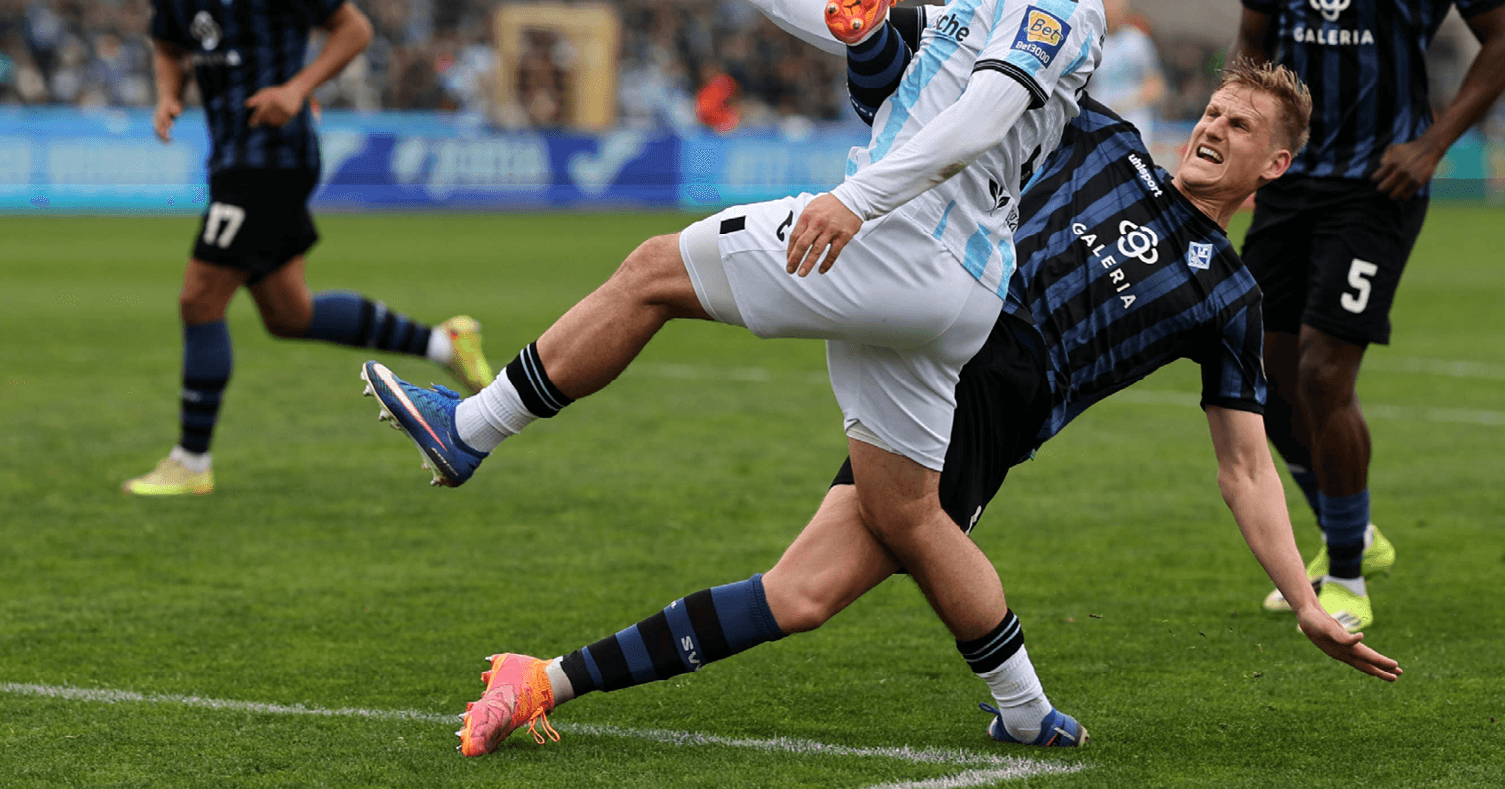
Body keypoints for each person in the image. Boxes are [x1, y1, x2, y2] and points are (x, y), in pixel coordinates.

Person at [360, 0, 1156, 751]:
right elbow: (858, 20)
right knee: (903, 517)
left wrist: (857, 199)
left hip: (902, 241)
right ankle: (1026, 710)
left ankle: (470, 429)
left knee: (654, 271)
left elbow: (988, 111)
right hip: (958, 284)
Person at [449, 42, 1403, 753]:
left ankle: (546, 680)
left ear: (1273, 166)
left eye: (1241, 127)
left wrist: (1305, 597)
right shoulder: (1105, 138)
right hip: (931, 321)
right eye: (1214, 111)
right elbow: (997, 86)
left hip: (990, 409)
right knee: (665, 280)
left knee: (803, 594)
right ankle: (1026, 710)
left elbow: (1243, 465)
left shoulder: (1230, 298)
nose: (1213, 128)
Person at [1227, 0, 1505, 629]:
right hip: (1290, 185)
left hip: (1376, 187)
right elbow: (1249, 54)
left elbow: (1504, 41)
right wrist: (1238, 147)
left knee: (1325, 371)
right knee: (1263, 378)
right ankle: (1343, 526)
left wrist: (1431, 147)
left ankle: (1348, 579)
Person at [121, 0, 493, 497]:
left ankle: (191, 463)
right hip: (231, 154)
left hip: (275, 157)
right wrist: (169, 93)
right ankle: (446, 344)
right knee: (288, 313)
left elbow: (354, 27)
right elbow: (167, 42)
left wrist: (298, 89)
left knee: (199, 296)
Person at [1088, 0, 1166, 139]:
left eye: (1117, 7)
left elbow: (1156, 86)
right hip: (1096, 122)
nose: (1111, 12)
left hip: (1131, 121)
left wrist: (1127, 103)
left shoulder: (1137, 41)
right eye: (1107, 5)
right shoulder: (1089, 41)